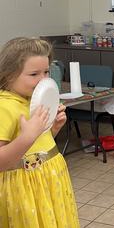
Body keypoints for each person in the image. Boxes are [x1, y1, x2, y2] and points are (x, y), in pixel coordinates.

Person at [0, 37, 79, 227]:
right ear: (9, 74)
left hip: (50, 182)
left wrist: (53, 129)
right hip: (24, 190)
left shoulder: (33, 101)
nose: (43, 80)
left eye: (46, 72)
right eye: (34, 74)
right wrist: (27, 136)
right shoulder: (5, 106)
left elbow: (36, 147)